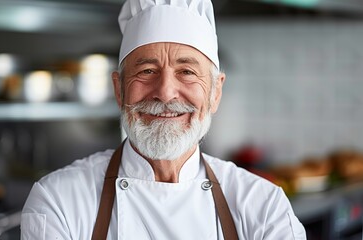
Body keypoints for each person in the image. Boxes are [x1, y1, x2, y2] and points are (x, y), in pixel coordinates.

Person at [21, 0, 306, 239]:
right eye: (146, 71)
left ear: (216, 92)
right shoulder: (58, 201)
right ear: (119, 90)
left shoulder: (264, 207)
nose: (165, 93)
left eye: (187, 72)